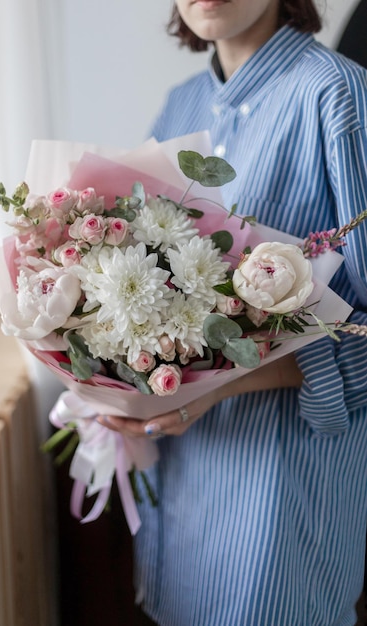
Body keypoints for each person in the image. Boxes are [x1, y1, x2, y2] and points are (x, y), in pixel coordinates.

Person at [98, 1, 367, 624]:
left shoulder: (338, 95)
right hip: (180, 474)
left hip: (284, 484)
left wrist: (224, 386)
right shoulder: (180, 104)